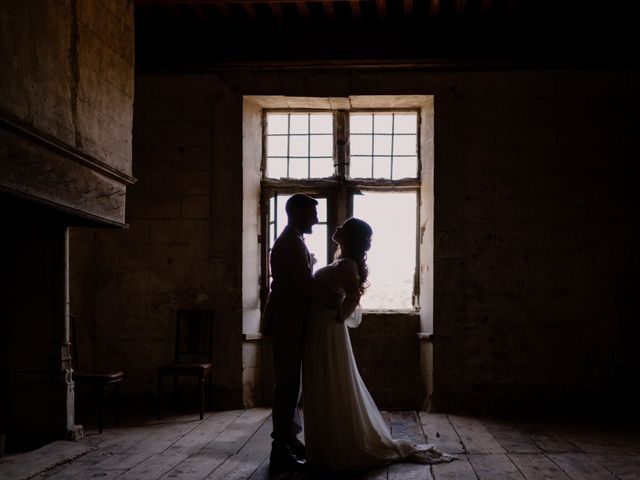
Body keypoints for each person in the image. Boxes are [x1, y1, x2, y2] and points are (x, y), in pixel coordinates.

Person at [303, 217, 456, 471]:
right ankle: (323, 445)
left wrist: (338, 316)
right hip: (320, 327)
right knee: (321, 380)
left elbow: (353, 296)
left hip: (327, 327)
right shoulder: (342, 263)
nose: (337, 227)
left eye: (343, 227)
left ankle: (336, 445)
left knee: (329, 378)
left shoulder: (348, 264)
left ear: (350, 236)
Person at [261, 193, 340, 472]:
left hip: (293, 321)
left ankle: (289, 440)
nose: (317, 220)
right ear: (297, 213)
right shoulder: (289, 244)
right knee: (286, 387)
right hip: (286, 321)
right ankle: (278, 449)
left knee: (292, 387)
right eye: (312, 214)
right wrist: (335, 302)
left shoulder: (294, 241)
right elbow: (306, 285)